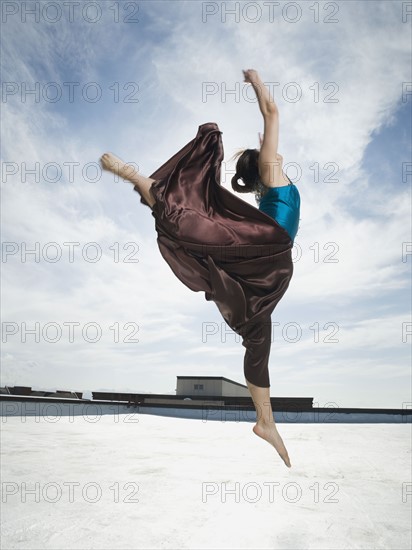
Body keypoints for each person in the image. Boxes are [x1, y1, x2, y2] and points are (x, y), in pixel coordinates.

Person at [99, 69, 300, 468]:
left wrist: (263, 135)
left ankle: (266, 422)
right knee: (191, 223)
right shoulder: (275, 176)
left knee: (258, 340)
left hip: (267, 268)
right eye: (270, 155)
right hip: (269, 252)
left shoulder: (270, 181)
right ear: (265, 163)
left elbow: (272, 118)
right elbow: (272, 112)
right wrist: (257, 81)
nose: (276, 154)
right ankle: (136, 176)